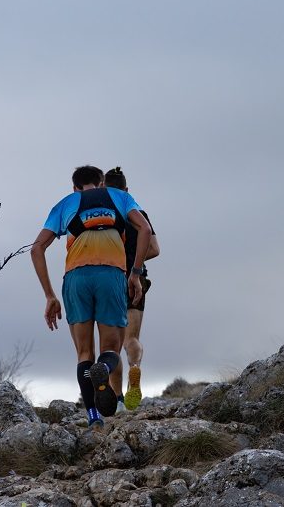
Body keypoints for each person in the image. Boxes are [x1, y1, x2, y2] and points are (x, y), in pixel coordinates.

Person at [30, 165, 152, 429]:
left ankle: (94, 418)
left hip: (76, 278)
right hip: (111, 275)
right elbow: (144, 230)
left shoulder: (65, 203)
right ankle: (105, 371)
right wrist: (136, 273)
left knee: (84, 352)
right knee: (110, 349)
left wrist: (50, 296)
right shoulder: (119, 197)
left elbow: (37, 248)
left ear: (74, 187)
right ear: (101, 184)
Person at [103, 167, 160, 412]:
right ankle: (134, 370)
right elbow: (155, 249)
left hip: (111, 278)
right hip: (137, 279)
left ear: (104, 189)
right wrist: (136, 261)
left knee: (111, 344)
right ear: (126, 190)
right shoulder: (139, 214)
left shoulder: (103, 214)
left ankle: (117, 400)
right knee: (132, 339)